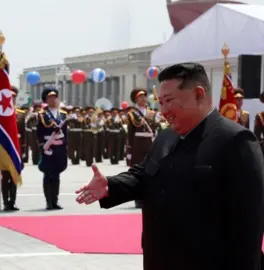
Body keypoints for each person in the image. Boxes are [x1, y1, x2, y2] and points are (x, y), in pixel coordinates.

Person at [76, 62, 264, 270]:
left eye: (169, 101)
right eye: (160, 102)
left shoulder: (235, 141)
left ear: (198, 94)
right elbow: (144, 175)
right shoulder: (166, 137)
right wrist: (110, 185)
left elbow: (249, 227)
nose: (163, 110)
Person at [37, 87, 68, 210]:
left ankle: (55, 200)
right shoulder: (42, 115)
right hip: (48, 147)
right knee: (47, 174)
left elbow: (65, 133)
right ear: (45, 99)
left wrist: (65, 148)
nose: (53, 99)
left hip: (59, 148)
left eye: (55, 97)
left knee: (56, 174)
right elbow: (39, 133)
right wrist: (41, 147)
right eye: (50, 97)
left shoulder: (63, 114)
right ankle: (48, 202)